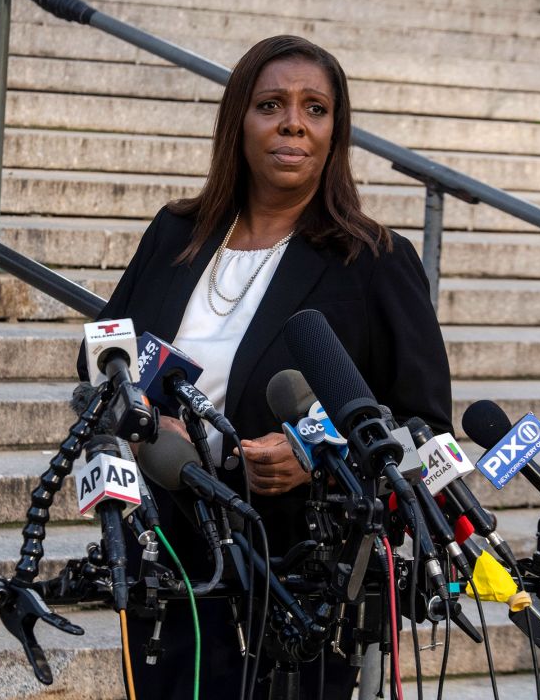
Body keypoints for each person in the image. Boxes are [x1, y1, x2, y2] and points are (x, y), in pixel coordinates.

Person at [78, 35, 452, 700]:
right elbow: (102, 358)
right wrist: (148, 418)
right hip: (172, 552)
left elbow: (423, 425)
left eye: (316, 109)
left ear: (335, 132)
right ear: (238, 121)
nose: (293, 124)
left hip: (299, 568)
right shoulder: (175, 233)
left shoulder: (374, 260)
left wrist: (314, 447)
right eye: (271, 104)